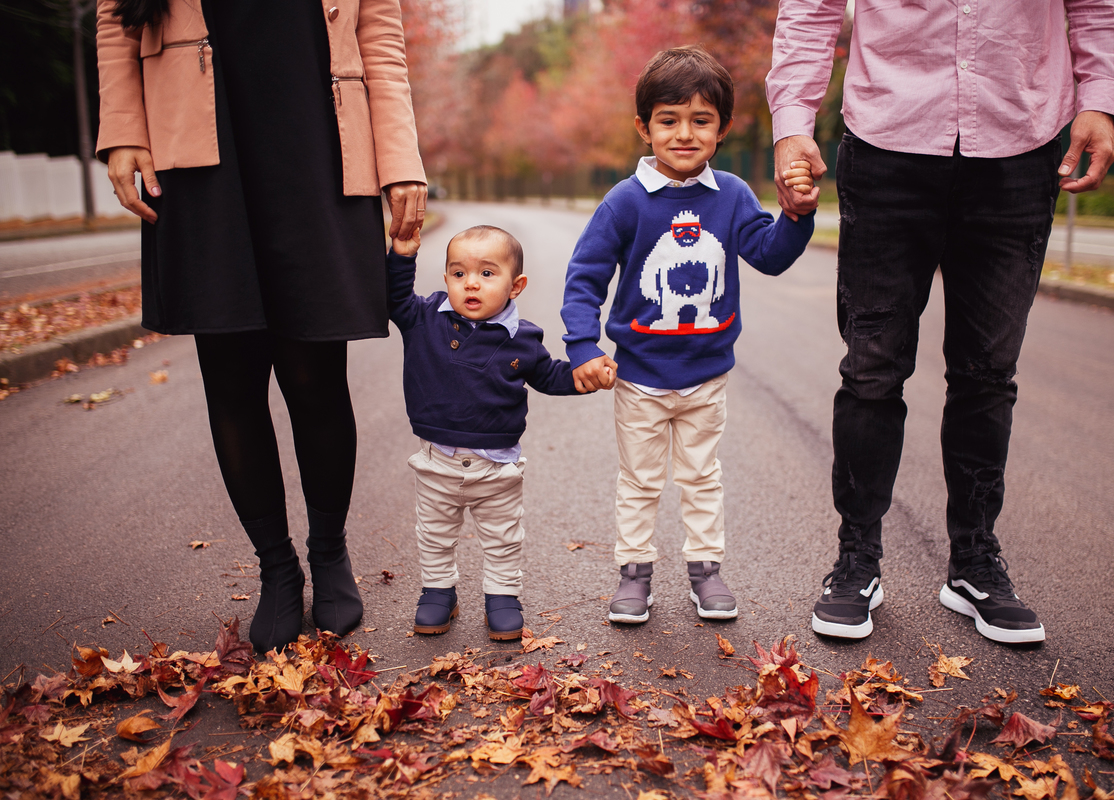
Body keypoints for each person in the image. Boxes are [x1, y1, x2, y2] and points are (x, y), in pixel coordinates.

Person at [767, 0, 1114, 643]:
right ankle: (856, 560)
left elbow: (1105, 5)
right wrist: (791, 121)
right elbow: (811, 8)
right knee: (871, 368)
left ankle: (974, 561)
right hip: (888, 140)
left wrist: (1102, 97)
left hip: (1020, 144)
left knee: (987, 371)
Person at [95, 0, 428, 654]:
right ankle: (277, 569)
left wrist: (400, 159)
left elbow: (380, 37)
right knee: (232, 372)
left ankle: (329, 554)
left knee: (315, 369)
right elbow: (116, 16)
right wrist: (123, 127)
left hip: (319, 131)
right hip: (197, 136)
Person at [561, 46, 814, 625]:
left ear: (722, 129)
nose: (683, 134)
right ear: (643, 126)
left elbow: (767, 256)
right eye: (668, 120)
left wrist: (796, 217)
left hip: (707, 374)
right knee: (640, 481)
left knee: (703, 477)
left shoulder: (732, 196)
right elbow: (585, 277)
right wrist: (581, 345)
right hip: (639, 379)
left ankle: (706, 569)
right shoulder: (624, 202)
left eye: (701, 121)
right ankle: (635, 573)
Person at [388, 225, 604, 640]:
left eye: (487, 273)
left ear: (515, 285)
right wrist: (402, 255)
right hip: (437, 461)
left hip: (497, 467)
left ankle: (502, 597)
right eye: (458, 273)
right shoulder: (425, 318)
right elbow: (394, 297)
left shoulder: (523, 339)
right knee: (434, 534)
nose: (471, 282)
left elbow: (550, 375)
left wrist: (584, 376)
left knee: (503, 538)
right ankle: (438, 592)